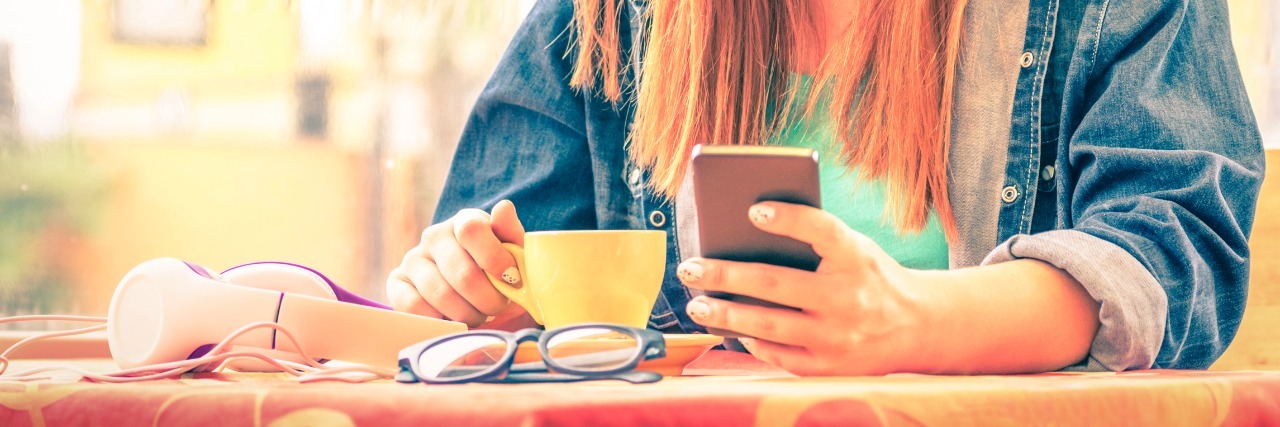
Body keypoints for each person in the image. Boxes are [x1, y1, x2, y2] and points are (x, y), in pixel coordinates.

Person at [386, 0, 1265, 375]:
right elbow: (503, 288)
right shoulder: (608, 16)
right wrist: (470, 291)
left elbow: (1174, 251)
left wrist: (916, 320)